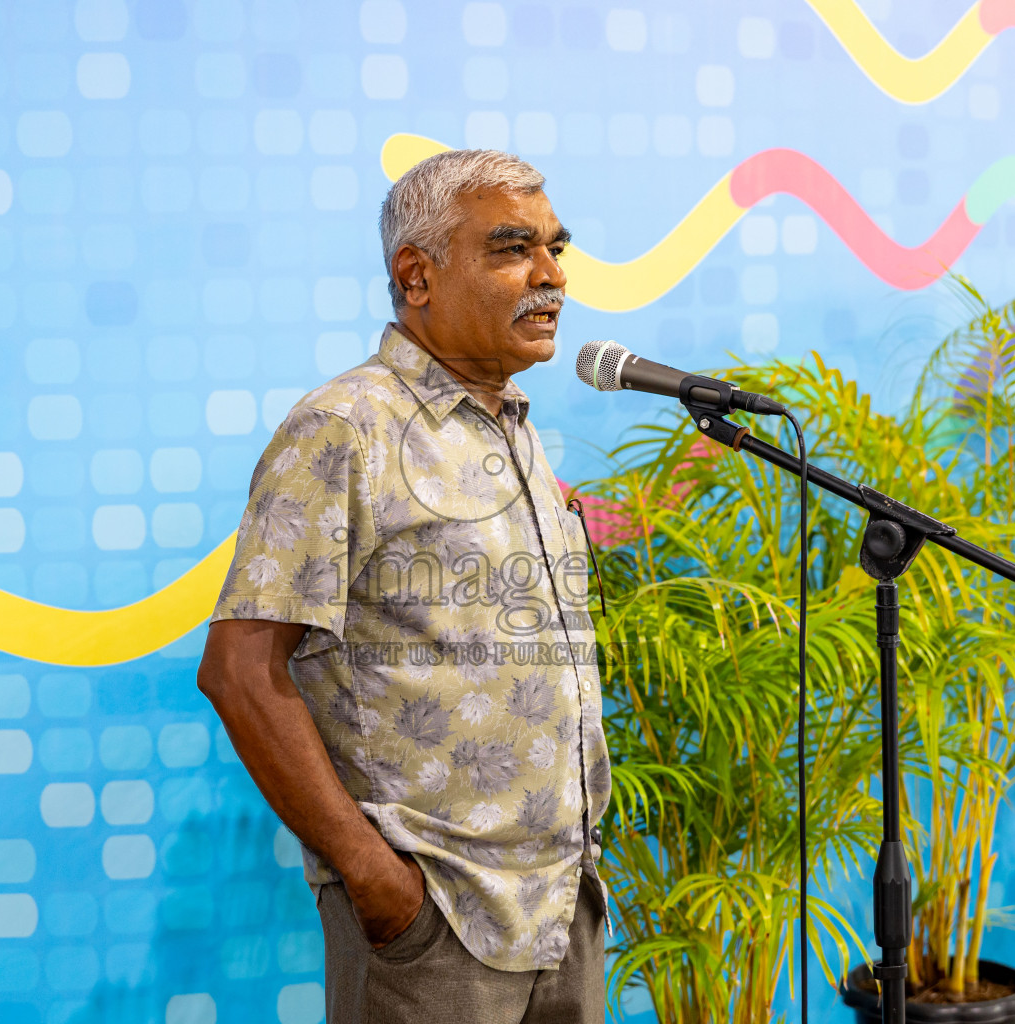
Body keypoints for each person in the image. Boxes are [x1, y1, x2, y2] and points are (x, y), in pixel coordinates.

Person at [196, 149, 610, 1023]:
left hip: (561, 906)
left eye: (556, 247)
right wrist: (375, 877)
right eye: (513, 249)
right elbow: (239, 671)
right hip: (435, 918)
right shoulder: (346, 427)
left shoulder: (511, 424)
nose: (551, 275)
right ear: (416, 276)